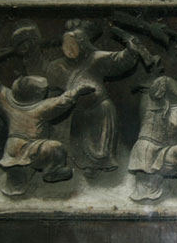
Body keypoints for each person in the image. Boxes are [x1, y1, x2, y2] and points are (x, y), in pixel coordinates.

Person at [46, 19, 158, 177]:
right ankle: (87, 167)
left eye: (76, 42)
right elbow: (52, 89)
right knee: (81, 143)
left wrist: (131, 50)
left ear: (84, 42)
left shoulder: (96, 58)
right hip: (79, 111)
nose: (71, 48)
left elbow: (119, 60)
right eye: (67, 43)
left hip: (100, 107)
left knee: (101, 145)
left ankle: (102, 164)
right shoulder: (58, 67)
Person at [0, 75, 94, 195]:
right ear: (37, 95)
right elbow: (62, 102)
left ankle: (16, 183)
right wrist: (77, 91)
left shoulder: (6, 100)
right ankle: (52, 171)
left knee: (16, 169)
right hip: (33, 146)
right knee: (55, 148)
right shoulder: (41, 108)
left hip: (12, 149)